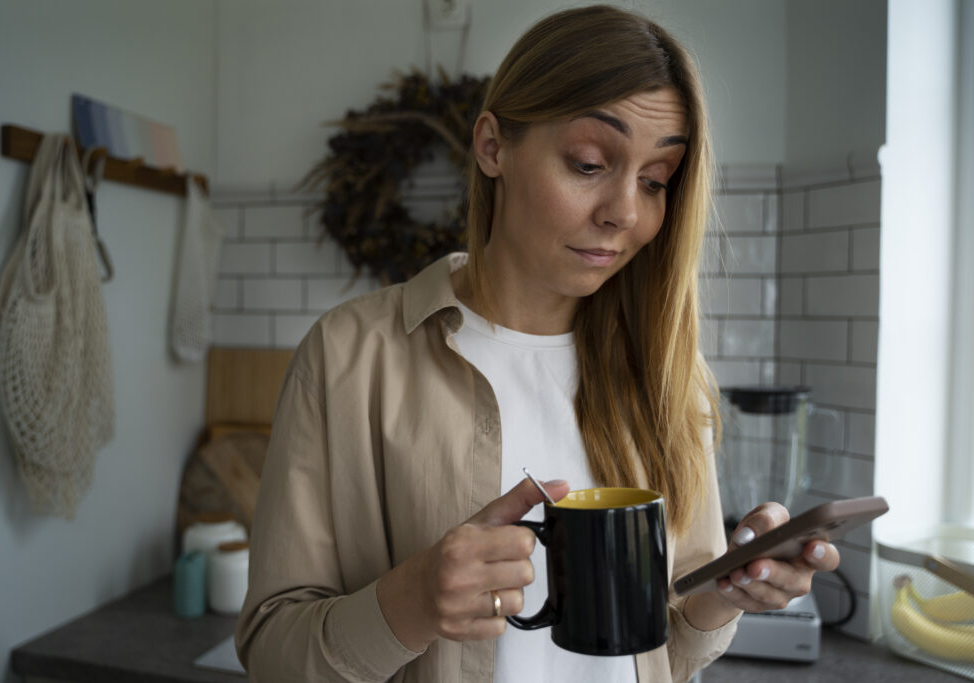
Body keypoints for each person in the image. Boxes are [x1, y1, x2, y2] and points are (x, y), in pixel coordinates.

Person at [235, 5, 841, 683]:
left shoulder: (669, 370)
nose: (626, 212)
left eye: (654, 181)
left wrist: (727, 593)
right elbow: (272, 651)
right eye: (589, 163)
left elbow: (670, 644)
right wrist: (410, 602)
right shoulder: (349, 356)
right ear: (493, 147)